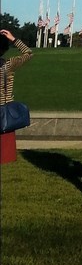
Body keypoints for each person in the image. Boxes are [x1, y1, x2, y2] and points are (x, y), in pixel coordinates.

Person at [1, 29, 33, 166]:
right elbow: (28, 53)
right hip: (5, 108)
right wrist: (13, 39)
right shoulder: (9, 64)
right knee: (6, 142)